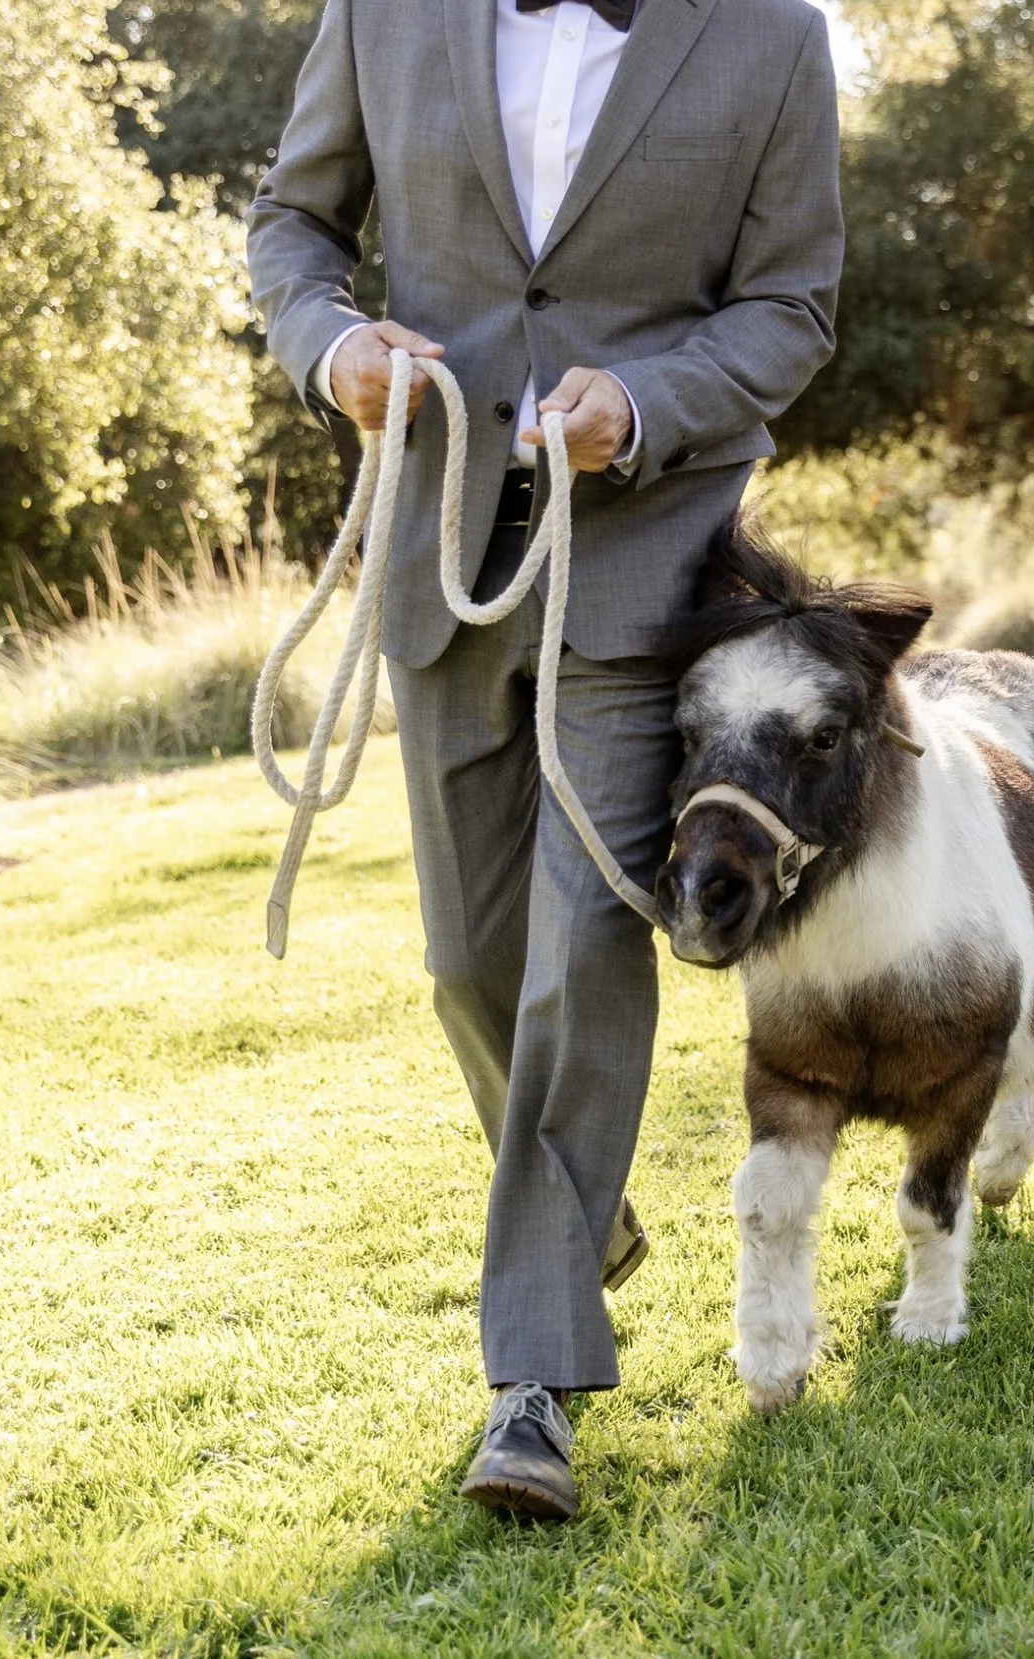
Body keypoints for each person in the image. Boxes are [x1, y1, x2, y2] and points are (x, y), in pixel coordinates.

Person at [247, 0, 842, 1519]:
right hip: (435, 548)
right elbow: (296, 222)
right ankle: (579, 1217)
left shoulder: (771, 37)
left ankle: (532, 1390)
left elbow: (791, 309)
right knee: (466, 961)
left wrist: (642, 405)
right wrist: (333, 351)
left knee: (584, 940)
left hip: (642, 556)